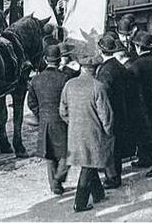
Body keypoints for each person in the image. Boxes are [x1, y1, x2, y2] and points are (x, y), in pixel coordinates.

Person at [59, 55, 114, 213]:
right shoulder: (98, 86)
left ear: (81, 68)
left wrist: (74, 122)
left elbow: (62, 111)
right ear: (95, 69)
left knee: (89, 161)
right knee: (89, 165)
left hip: (75, 132)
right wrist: (108, 132)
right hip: (94, 133)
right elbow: (106, 115)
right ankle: (80, 203)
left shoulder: (69, 84)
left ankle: (98, 194)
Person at [28, 44, 73, 195]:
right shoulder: (65, 78)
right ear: (59, 60)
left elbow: (31, 102)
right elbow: (69, 100)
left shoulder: (35, 80)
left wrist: (40, 114)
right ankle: (58, 180)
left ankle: (54, 186)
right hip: (61, 120)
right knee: (66, 152)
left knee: (49, 154)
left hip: (44, 121)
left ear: (45, 59)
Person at [94, 34, 132, 189]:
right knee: (115, 145)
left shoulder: (105, 71)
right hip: (121, 109)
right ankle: (115, 173)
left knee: (110, 145)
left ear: (100, 50)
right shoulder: (118, 65)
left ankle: (113, 177)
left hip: (111, 112)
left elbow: (103, 95)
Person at [127, 32, 152, 173]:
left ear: (138, 47)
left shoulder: (135, 66)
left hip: (143, 106)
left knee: (148, 135)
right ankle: (149, 160)